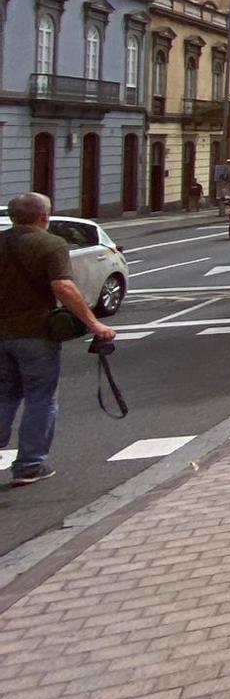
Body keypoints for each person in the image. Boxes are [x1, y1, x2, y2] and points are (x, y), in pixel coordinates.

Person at [0, 193, 117, 486]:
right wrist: (93, 324)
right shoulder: (51, 244)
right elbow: (63, 286)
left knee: (4, 395)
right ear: (44, 217)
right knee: (40, 397)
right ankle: (30, 465)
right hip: (35, 333)